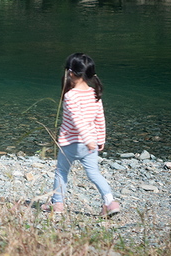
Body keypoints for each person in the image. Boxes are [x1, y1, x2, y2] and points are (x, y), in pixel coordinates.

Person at [43, 53, 121, 217]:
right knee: (94, 173)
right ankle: (109, 202)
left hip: (71, 143)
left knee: (61, 172)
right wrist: (100, 139)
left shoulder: (70, 96)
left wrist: (88, 139)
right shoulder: (94, 93)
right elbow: (100, 118)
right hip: (89, 144)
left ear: (70, 73)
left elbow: (77, 120)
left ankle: (57, 203)